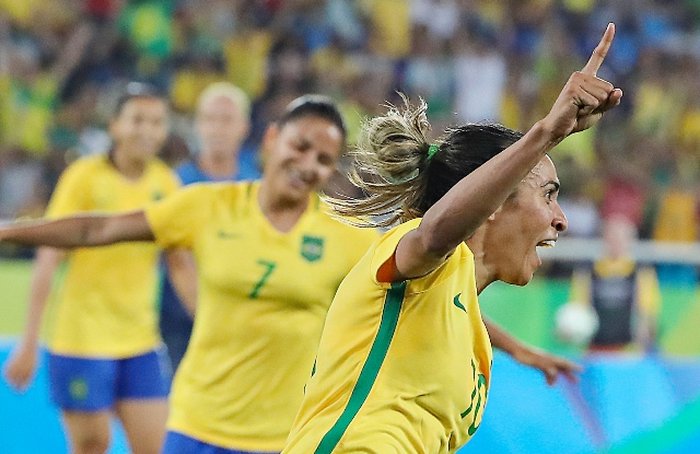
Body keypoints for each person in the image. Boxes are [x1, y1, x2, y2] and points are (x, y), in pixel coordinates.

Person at [282, 23, 622, 453]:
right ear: (494, 201)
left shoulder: (467, 326)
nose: (561, 220)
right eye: (548, 195)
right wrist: (545, 135)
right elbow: (434, 237)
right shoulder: (413, 246)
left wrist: (520, 350)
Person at [0, 95, 378, 453]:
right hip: (195, 424)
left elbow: (408, 273)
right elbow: (96, 230)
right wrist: (7, 231)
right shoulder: (206, 205)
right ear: (272, 137)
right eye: (300, 146)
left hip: (284, 435)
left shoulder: (346, 237)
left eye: (324, 159)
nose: (309, 164)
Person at [2, 82, 181, 454]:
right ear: (114, 126)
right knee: (92, 446)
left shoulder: (166, 183)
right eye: (137, 120)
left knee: (157, 447)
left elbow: (179, 263)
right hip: (82, 340)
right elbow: (49, 257)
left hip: (140, 342)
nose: (147, 130)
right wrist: (29, 340)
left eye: (156, 122)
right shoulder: (84, 177)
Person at [159, 81, 258, 372]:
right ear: (197, 126)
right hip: (181, 324)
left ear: (244, 127)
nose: (217, 129)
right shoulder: (175, 183)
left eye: (226, 120)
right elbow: (176, 257)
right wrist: (208, 321)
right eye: (209, 119)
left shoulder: (258, 186)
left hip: (244, 323)